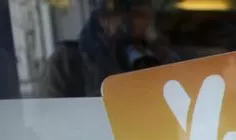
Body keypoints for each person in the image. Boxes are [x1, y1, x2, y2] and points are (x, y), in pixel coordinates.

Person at [39, 0, 167, 98]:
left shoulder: (154, 57)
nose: (142, 23)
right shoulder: (67, 61)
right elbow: (48, 119)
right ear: (103, 19)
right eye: (135, 15)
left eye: (145, 16)